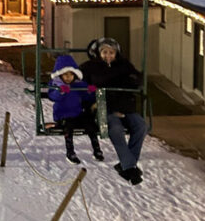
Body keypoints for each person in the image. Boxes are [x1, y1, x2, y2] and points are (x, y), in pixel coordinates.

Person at [80, 37, 147, 185]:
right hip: (103, 107)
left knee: (141, 126)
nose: (108, 56)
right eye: (104, 52)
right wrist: (92, 100)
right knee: (115, 128)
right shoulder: (89, 67)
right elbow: (83, 87)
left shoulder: (124, 66)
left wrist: (134, 80)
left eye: (111, 52)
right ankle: (129, 167)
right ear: (98, 53)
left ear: (117, 53)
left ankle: (126, 164)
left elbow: (136, 80)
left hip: (124, 106)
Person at [47, 54, 103, 165]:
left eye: (71, 74)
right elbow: (52, 96)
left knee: (90, 124)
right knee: (69, 127)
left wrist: (90, 91)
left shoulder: (78, 85)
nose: (68, 77)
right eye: (65, 75)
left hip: (77, 113)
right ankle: (70, 152)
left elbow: (86, 97)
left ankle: (97, 149)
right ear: (60, 75)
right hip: (63, 115)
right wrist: (60, 91)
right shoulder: (57, 85)